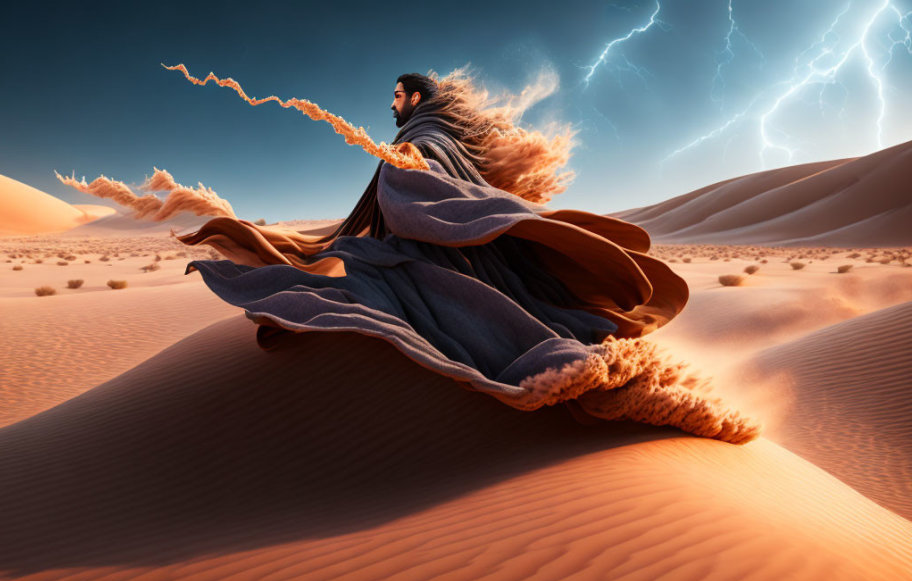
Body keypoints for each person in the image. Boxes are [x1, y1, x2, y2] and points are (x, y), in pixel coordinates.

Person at [178, 70, 757, 443]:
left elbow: (411, 192)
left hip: (445, 256)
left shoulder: (420, 145)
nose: (391, 105)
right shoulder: (442, 140)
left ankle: (570, 374)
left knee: (446, 312)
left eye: (397, 96)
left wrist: (416, 203)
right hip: (465, 250)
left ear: (418, 97)